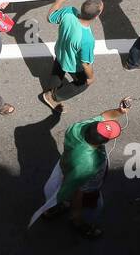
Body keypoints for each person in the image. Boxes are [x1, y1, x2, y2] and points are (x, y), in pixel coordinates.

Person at [32, 100, 131, 237]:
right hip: (81, 181)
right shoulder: (90, 164)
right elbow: (79, 191)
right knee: (83, 200)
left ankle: (55, 207)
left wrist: (119, 111)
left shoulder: (78, 128)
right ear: (102, 143)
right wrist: (76, 211)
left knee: (57, 188)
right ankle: (76, 221)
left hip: (65, 165)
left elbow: (104, 117)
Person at [40, 0, 102, 111]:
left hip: (60, 51)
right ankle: (53, 96)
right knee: (83, 82)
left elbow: (50, 17)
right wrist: (90, 78)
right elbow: (86, 63)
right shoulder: (87, 39)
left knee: (58, 69)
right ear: (96, 16)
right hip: (73, 64)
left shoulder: (69, 12)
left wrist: (60, 0)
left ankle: (52, 89)